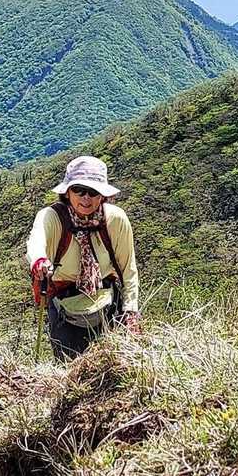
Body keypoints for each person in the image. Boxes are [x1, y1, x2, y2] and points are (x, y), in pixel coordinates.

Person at [26, 155, 141, 361]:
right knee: (70, 367)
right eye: (79, 190)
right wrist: (39, 261)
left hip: (108, 301)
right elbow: (36, 242)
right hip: (64, 305)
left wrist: (130, 310)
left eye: (93, 192)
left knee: (114, 365)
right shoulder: (52, 217)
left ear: (102, 196)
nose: (86, 198)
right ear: (67, 192)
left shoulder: (114, 220)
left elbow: (128, 269)